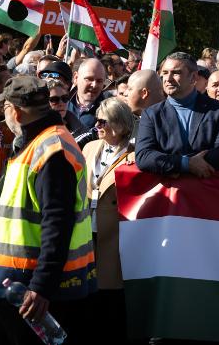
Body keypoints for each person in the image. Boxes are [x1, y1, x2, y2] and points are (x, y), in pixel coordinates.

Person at [0, 76, 96, 344]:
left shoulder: (51, 149)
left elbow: (57, 223)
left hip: (33, 291)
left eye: (5, 108)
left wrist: (41, 285)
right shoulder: (36, 142)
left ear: (16, 112)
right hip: (18, 284)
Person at [81, 97, 134, 344]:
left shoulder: (134, 155)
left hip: (114, 232)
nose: (98, 126)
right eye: (97, 120)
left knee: (109, 293)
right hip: (85, 228)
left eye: (105, 121)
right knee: (86, 291)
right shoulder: (90, 147)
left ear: (121, 125)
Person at [135, 52, 219, 177]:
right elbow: (144, 156)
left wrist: (190, 164)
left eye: (176, 73)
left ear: (193, 77)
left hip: (207, 191)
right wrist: (185, 164)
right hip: (168, 194)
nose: (168, 78)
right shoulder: (151, 114)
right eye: (165, 73)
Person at [67, 58, 109, 131]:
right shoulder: (61, 102)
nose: (94, 85)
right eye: (89, 79)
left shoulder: (108, 111)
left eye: (99, 81)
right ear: (76, 78)